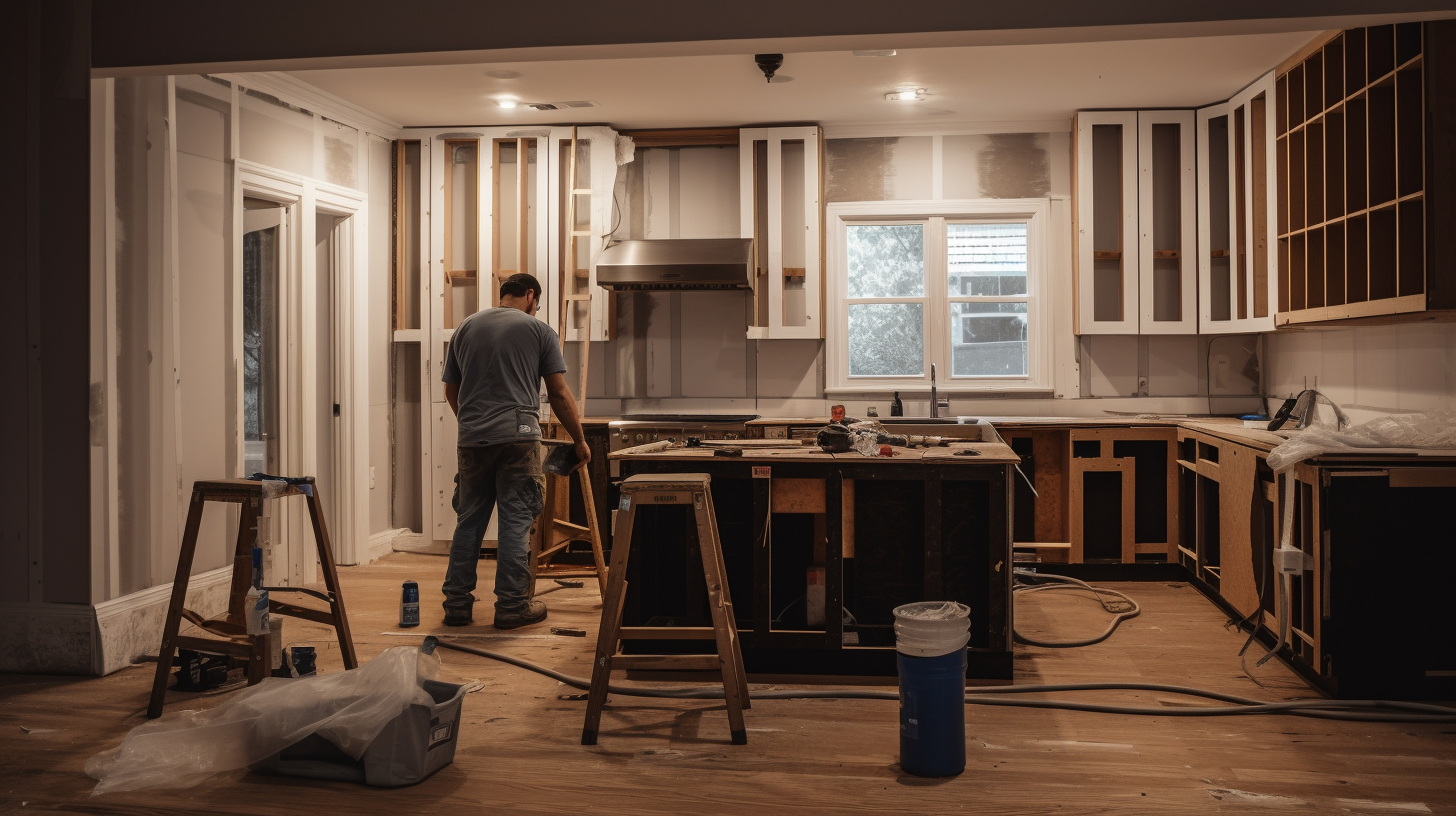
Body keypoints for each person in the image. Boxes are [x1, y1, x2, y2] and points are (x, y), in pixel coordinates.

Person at [440, 273, 591, 629]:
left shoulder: (465, 327)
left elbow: (451, 390)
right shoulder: (539, 331)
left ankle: (457, 606)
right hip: (518, 436)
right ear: (529, 295)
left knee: (469, 522)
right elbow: (557, 392)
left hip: (472, 439)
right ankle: (511, 607)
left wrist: (475, 423)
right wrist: (579, 439)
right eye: (535, 303)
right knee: (515, 521)